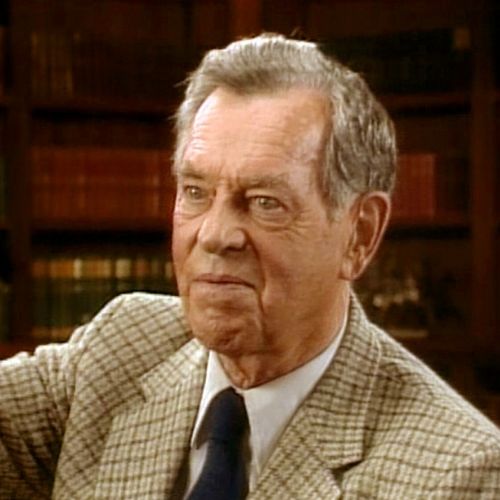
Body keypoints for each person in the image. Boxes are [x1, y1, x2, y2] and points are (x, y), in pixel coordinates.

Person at [1, 33, 499, 500]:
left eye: (264, 202)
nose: (214, 234)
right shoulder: (124, 347)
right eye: (196, 192)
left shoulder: (459, 475)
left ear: (359, 234)